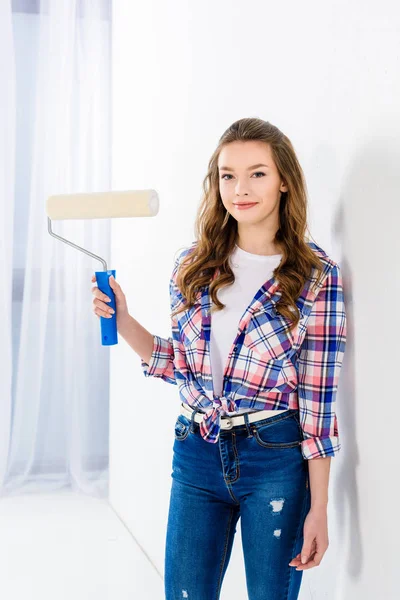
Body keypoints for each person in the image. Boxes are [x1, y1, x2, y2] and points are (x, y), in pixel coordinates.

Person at [91, 117, 347, 600]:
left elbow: (318, 402)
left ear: (284, 181)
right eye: (228, 175)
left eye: (257, 173)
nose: (240, 189)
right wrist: (124, 320)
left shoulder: (316, 276)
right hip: (196, 453)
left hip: (275, 457)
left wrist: (320, 506)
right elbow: (181, 368)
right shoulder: (193, 265)